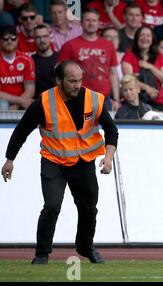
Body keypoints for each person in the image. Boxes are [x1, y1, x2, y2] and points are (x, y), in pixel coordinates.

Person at [1, 60, 118, 265]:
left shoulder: (93, 99)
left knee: (89, 209)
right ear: (59, 81)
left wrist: (108, 157)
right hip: (54, 161)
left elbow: (111, 130)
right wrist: (9, 160)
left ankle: (85, 246)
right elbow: (21, 131)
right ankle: (42, 253)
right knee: (52, 206)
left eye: (80, 80)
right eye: (72, 81)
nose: (77, 85)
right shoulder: (44, 102)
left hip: (84, 162)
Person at [57, 8, 120, 111]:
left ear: (99, 23)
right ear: (81, 23)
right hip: (77, 97)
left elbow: (113, 73)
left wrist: (116, 100)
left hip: (104, 98)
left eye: (94, 20)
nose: (91, 23)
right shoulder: (69, 45)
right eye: (87, 20)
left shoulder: (109, 45)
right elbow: (59, 74)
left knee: (104, 127)